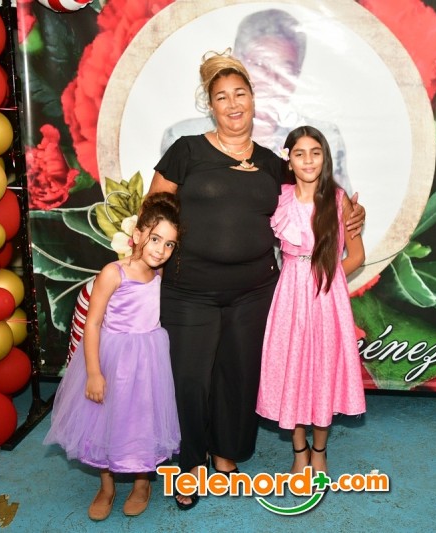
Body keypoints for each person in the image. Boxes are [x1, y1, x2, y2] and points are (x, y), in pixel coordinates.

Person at [148, 50, 365, 510]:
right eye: (221, 97)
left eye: (240, 94)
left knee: (239, 375)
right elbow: (155, 211)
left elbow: (313, 189)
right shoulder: (186, 151)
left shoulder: (271, 163)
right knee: (190, 379)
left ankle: (226, 453)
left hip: (256, 292)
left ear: (252, 99)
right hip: (190, 290)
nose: (233, 104)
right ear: (210, 105)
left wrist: (353, 213)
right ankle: (190, 464)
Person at [43, 193, 182, 521]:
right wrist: (94, 373)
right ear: (137, 234)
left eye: (169, 244)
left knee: (142, 418)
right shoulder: (113, 272)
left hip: (148, 360)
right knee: (105, 420)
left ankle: (142, 482)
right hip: (112, 358)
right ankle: (106, 486)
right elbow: (92, 323)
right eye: (155, 239)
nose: (160, 250)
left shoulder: (159, 273)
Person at [256, 126, 366, 474]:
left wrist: (327, 278)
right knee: (293, 369)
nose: (308, 160)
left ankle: (320, 450)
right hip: (289, 296)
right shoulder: (279, 198)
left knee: (322, 370)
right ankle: (299, 449)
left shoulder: (338, 199)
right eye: (299, 153)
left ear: (325, 158)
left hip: (326, 299)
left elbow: (357, 256)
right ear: (288, 160)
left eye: (315, 153)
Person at [160, 8, 352, 194]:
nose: (272, 80)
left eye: (285, 70)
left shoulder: (322, 139)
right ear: (237, 65)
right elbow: (161, 207)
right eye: (260, 65)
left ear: (297, 75)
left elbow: (338, 207)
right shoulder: (183, 140)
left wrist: (350, 210)